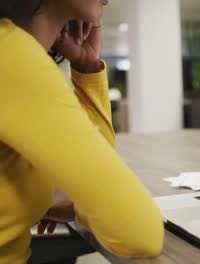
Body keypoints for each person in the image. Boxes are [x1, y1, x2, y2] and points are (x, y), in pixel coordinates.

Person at [0, 1, 164, 263]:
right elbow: (140, 234)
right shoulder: (10, 54)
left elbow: (95, 178)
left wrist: (87, 68)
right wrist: (74, 205)